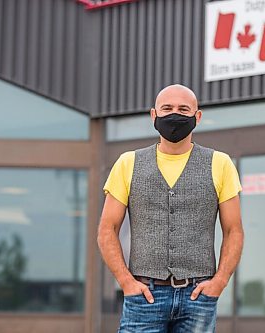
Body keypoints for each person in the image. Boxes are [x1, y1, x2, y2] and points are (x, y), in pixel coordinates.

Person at [98, 84, 244, 333]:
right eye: (167, 108)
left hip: (198, 296)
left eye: (183, 109)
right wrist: (126, 282)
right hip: (144, 295)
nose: (174, 114)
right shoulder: (128, 163)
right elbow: (107, 229)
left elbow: (234, 231)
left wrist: (219, 282)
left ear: (197, 117)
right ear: (154, 115)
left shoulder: (220, 163)